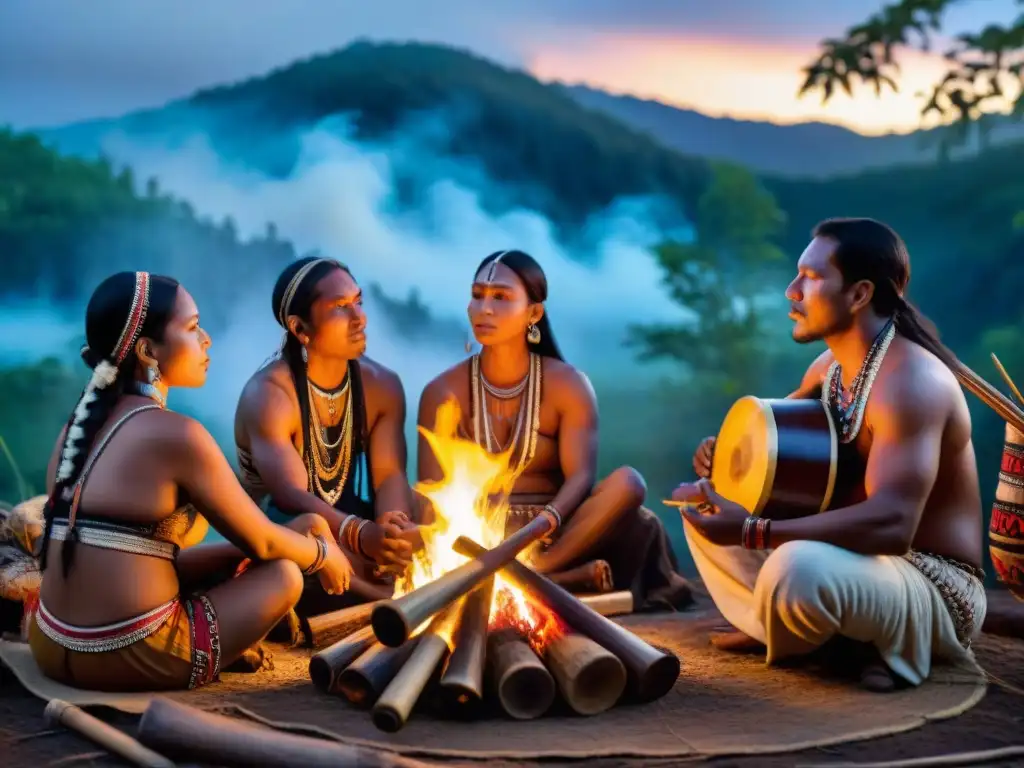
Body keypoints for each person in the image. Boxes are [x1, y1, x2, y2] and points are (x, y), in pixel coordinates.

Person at [674, 217, 986, 692]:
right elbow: (770, 449)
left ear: (860, 294)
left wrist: (753, 532)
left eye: (811, 278)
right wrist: (723, 460)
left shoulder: (911, 381)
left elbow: (893, 526)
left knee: (796, 568)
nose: (791, 291)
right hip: (850, 562)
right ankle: (805, 630)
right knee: (700, 503)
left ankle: (833, 635)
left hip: (932, 585)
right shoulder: (829, 367)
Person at [28, 271, 354, 693]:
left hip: (51, 642)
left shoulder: (76, 428)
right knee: (286, 575)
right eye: (192, 326)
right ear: (148, 350)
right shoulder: (178, 435)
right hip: (129, 652)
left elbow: (133, 551)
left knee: (266, 547)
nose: (207, 339)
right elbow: (267, 545)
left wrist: (296, 534)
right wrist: (323, 554)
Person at [417, 250, 692, 609]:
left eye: (500, 297)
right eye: (477, 294)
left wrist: (543, 530)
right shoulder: (442, 391)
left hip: (557, 536)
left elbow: (581, 478)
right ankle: (544, 581)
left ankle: (538, 571)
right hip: (474, 538)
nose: (484, 308)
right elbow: (432, 498)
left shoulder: (568, 385)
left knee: (628, 483)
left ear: (534, 313)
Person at [234, 256, 418, 616]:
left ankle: (381, 587)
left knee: (429, 513)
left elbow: (391, 475)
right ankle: (376, 599)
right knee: (308, 558)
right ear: (301, 328)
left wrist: (394, 532)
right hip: (284, 529)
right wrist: (361, 535)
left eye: (358, 302)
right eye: (340, 307)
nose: (359, 317)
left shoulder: (383, 386)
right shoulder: (271, 394)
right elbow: (290, 495)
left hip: (354, 522)